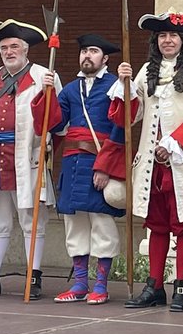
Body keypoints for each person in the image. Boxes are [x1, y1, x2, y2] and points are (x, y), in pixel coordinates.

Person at [112, 10, 183, 312]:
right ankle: (155, 284)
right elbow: (132, 117)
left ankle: (181, 286)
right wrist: (125, 87)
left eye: (173, 35)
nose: (167, 40)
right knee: (156, 226)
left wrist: (173, 144)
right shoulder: (147, 71)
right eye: (162, 35)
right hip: (150, 165)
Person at [0, 19, 57, 300]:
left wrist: (49, 94)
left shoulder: (44, 76)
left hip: (26, 157)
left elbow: (56, 121)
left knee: (31, 218)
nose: (9, 51)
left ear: (26, 49)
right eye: (4, 47)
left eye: (14, 46)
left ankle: (34, 276)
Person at [34, 34, 126, 305]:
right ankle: (79, 283)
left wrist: (105, 167)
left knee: (101, 223)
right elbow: (51, 124)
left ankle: (101, 284)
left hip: (100, 160)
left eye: (94, 51)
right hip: (73, 163)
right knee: (74, 225)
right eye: (84, 51)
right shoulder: (71, 89)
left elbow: (120, 129)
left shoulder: (115, 86)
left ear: (105, 58)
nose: (87, 56)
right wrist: (46, 94)